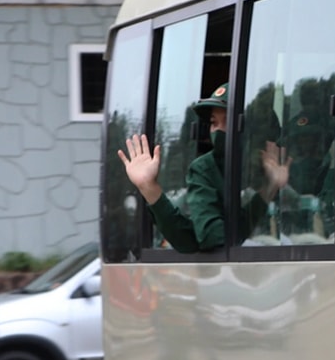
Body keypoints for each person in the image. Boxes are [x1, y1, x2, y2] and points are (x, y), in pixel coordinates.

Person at [118, 85, 288, 252]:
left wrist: (273, 184)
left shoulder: (287, 165)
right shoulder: (206, 169)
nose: (219, 131)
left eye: (229, 122)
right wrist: (148, 187)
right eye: (214, 123)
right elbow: (209, 238)